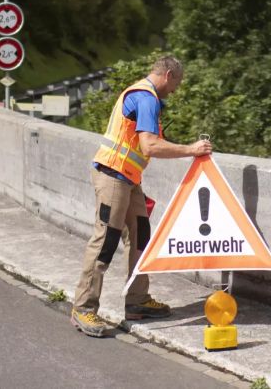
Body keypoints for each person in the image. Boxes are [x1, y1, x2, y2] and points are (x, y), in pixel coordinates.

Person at [71, 56, 213, 337]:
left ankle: (137, 301)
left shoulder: (142, 95)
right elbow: (150, 146)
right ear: (169, 74)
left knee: (141, 237)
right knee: (105, 240)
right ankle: (83, 308)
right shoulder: (146, 98)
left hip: (129, 178)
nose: (175, 89)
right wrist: (192, 149)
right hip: (113, 176)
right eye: (176, 83)